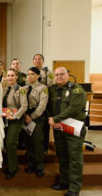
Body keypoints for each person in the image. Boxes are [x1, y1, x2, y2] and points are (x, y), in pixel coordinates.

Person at [48, 67, 86, 196]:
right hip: (59, 129)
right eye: (56, 75)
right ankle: (64, 182)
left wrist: (56, 119)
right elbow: (49, 106)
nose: (59, 77)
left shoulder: (77, 90)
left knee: (74, 158)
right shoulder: (53, 89)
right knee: (63, 157)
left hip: (73, 129)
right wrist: (52, 119)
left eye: (62, 74)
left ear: (68, 75)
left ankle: (74, 189)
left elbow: (74, 108)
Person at [3, 68, 28, 179]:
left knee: (10, 143)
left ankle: (13, 168)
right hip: (4, 119)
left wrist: (15, 116)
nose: (10, 77)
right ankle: (8, 163)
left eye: (12, 75)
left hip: (15, 120)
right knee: (4, 144)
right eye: (8, 75)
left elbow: (24, 106)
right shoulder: (4, 89)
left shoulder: (21, 89)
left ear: (16, 77)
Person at [23, 67, 48, 177]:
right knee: (28, 142)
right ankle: (31, 164)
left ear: (38, 76)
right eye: (28, 74)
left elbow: (42, 106)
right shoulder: (24, 88)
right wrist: (24, 116)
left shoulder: (43, 88)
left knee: (37, 143)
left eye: (32, 74)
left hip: (37, 118)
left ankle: (39, 166)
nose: (29, 76)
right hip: (25, 117)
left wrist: (32, 117)